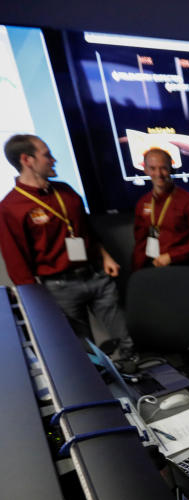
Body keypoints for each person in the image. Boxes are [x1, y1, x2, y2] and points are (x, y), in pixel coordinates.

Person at [0, 134, 136, 361]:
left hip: (96, 276)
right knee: (83, 351)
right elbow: (17, 264)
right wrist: (36, 303)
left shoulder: (66, 191)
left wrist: (106, 257)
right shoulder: (11, 207)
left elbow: (86, 231)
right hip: (59, 287)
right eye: (46, 154)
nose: (53, 159)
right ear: (27, 159)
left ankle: (142, 381)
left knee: (126, 340)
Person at [132, 148, 189, 270]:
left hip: (182, 267)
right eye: (153, 168)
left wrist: (171, 256)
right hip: (152, 266)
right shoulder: (143, 203)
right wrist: (137, 272)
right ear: (146, 170)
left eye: (163, 168)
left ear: (171, 168)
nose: (159, 174)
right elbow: (140, 243)